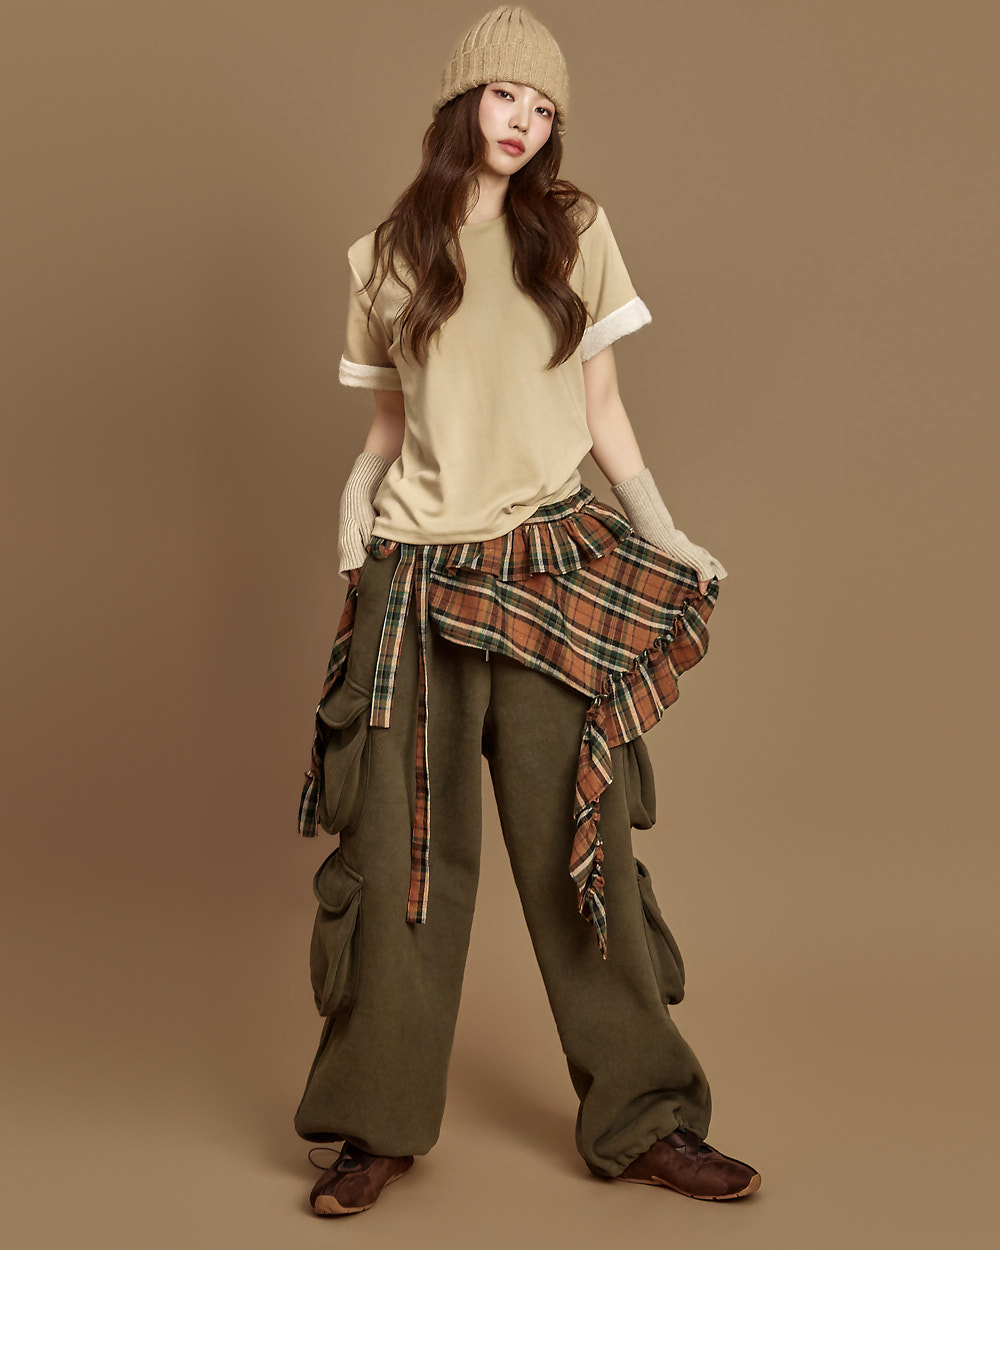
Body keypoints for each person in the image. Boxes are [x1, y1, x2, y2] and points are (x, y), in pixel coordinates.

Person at [293, 4, 761, 1216]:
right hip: (416, 582)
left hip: (548, 564)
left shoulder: (574, 232)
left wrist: (661, 527)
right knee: (401, 864)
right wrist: (354, 510)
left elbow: (602, 409)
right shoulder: (382, 256)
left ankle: (648, 1119)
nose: (526, 121)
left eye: (545, 108)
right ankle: (373, 1127)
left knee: (580, 855)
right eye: (509, 95)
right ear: (464, 99)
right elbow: (390, 427)